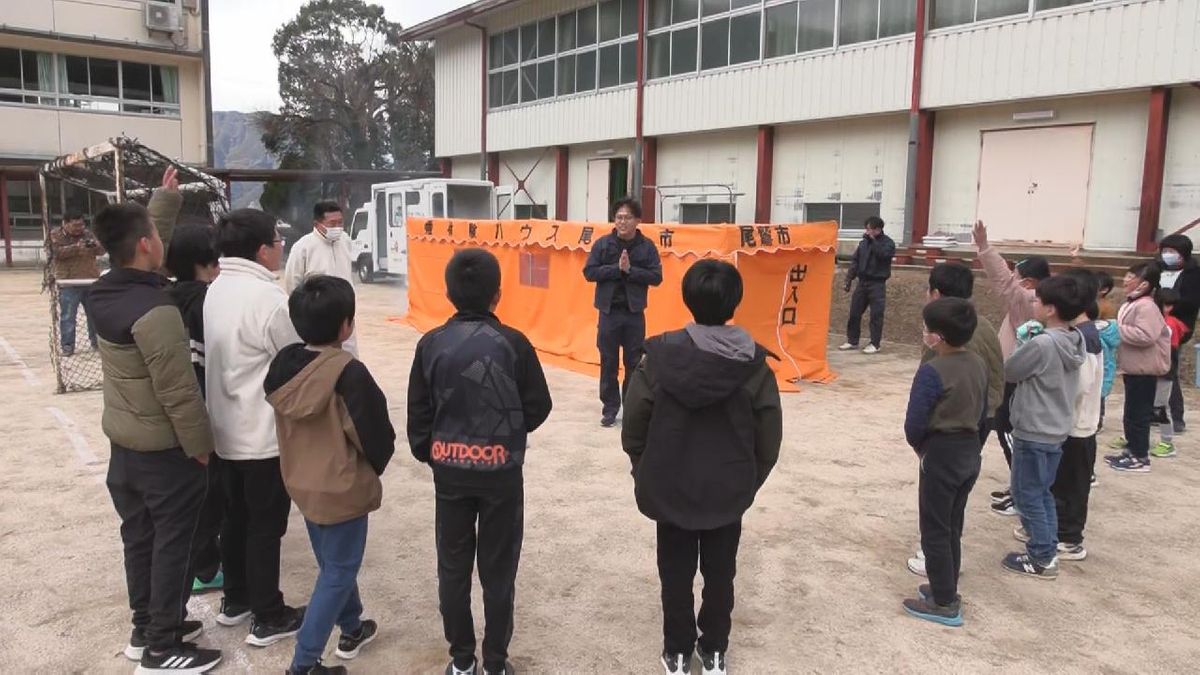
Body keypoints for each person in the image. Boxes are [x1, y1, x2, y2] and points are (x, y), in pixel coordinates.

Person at [622, 259, 782, 674]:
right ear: (735, 302)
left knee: (674, 573)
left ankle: (676, 651)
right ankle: (713, 650)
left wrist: (646, 470)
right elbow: (769, 438)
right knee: (720, 574)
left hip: (671, 483)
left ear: (687, 299)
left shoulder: (658, 357)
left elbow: (634, 423)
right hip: (727, 488)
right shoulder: (753, 365)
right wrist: (747, 480)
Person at [88, 200, 222, 673]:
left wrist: (161, 206)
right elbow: (179, 391)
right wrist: (201, 447)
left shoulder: (105, 292)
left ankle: (146, 627)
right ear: (146, 245)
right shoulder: (157, 311)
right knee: (173, 544)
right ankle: (163, 647)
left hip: (123, 449)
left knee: (139, 538)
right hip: (163, 452)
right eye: (155, 233)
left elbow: (141, 251)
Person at [407, 249, 553, 675]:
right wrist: (507, 437)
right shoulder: (514, 343)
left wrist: (433, 453)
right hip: (501, 475)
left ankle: (461, 660)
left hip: (450, 474)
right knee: (498, 568)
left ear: (449, 293)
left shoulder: (431, 343)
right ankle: (494, 663)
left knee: (452, 567)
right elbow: (538, 405)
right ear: (498, 294)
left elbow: (419, 412)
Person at [265, 275, 396, 675]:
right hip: (340, 486)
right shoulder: (348, 372)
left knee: (334, 565)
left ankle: (352, 626)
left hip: (301, 480)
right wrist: (372, 466)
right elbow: (375, 435)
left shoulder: (284, 365)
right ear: (346, 325)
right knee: (338, 572)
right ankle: (304, 664)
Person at [205, 208, 307, 646]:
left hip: (224, 430)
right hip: (262, 435)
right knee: (266, 527)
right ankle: (268, 614)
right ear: (263, 249)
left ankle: (236, 599)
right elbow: (293, 358)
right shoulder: (266, 299)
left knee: (236, 520)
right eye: (278, 242)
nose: (281, 247)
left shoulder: (217, 288)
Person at [907, 263, 1003, 578]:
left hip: (950, 430)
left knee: (938, 503)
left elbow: (924, 404)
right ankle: (948, 558)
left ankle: (938, 570)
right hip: (980, 419)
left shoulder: (944, 342)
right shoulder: (983, 324)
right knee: (955, 497)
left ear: (936, 294)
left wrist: (922, 445)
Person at [901, 298, 987, 627]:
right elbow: (982, 412)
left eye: (926, 329)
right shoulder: (977, 362)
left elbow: (914, 423)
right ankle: (945, 583)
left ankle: (945, 601)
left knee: (934, 527)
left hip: (941, 451)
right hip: (969, 450)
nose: (923, 334)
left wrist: (923, 449)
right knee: (952, 523)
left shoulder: (932, 370)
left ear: (937, 336)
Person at [1001, 275, 1086, 580]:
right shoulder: (1074, 339)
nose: (1033, 304)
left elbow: (1010, 371)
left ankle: (1041, 557)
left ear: (1050, 309)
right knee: (1042, 491)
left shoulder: (1043, 343)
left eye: (1037, 300)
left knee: (1027, 494)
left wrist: (1024, 343)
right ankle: (1046, 546)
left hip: (1034, 428)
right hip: (1055, 428)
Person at [972, 220, 1051, 517]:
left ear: (1029, 282)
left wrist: (984, 248)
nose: (1011, 281)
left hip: (1015, 378)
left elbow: (1003, 282)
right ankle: (1019, 488)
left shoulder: (1028, 301)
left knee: (1007, 431)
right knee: (1007, 431)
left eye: (1017, 276)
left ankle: (1022, 493)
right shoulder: (1038, 301)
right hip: (1017, 375)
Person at [165, 223, 227, 594]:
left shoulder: (166, 297)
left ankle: (204, 560)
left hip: (176, 413)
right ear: (209, 261)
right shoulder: (207, 302)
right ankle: (205, 567)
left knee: (191, 493)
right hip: (205, 410)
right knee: (209, 495)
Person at [583, 197, 663, 428]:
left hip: (634, 313)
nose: (622, 222)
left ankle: (632, 406)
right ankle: (609, 408)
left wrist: (631, 271)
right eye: (619, 217)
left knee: (634, 362)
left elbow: (656, 277)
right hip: (608, 313)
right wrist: (616, 270)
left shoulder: (647, 247)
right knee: (608, 361)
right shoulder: (602, 245)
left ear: (638, 220)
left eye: (628, 217)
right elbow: (589, 272)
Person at [1041, 269, 1104, 563]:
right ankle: (1055, 528)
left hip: (1076, 425)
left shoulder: (1086, 338)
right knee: (1059, 481)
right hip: (1067, 423)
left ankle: (1069, 537)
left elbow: (1080, 385)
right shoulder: (1079, 334)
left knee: (1071, 484)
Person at [1106, 263, 1171, 474]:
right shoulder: (1134, 303)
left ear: (1144, 283)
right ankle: (1131, 450)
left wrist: (1116, 329)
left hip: (1145, 370)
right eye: (1126, 275)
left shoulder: (1146, 306)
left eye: (1131, 276)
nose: (1126, 279)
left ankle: (1140, 456)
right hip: (1134, 368)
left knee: (1139, 414)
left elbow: (1146, 335)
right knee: (1131, 412)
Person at [285, 201, 358, 356]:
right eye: (332, 223)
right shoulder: (303, 247)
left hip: (345, 315)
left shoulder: (345, 240)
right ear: (317, 224)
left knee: (349, 359)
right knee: (320, 361)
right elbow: (293, 285)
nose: (337, 227)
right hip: (319, 318)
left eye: (340, 222)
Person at [1156, 234, 1199, 433]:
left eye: (1172, 251)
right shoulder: (1158, 269)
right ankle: (1154, 412)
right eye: (1165, 251)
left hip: (1177, 326)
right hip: (1155, 322)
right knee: (1154, 370)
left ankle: (1176, 416)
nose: (1168, 255)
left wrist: (1169, 304)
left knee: (1169, 370)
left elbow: (1191, 302)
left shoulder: (1193, 274)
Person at [49, 211, 104, 356]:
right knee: (68, 317)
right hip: (68, 282)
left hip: (90, 280)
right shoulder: (55, 235)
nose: (79, 228)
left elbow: (102, 251)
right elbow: (56, 253)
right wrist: (76, 247)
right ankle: (67, 346)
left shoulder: (88, 234)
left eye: (81, 224)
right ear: (65, 223)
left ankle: (96, 342)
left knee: (94, 315)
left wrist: (95, 245)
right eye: (75, 225)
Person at [839, 216, 896, 354]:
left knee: (876, 315)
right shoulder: (863, 243)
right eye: (866, 229)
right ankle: (852, 340)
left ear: (878, 229)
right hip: (862, 282)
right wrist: (849, 279)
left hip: (877, 283)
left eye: (870, 229)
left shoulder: (888, 243)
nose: (867, 231)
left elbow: (883, 255)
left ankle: (875, 343)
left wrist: (873, 241)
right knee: (854, 312)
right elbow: (855, 262)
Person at [1150, 288, 1187, 459]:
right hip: (1153, 369)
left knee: (1161, 407)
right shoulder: (1161, 321)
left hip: (1164, 372)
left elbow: (1170, 353)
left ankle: (1167, 442)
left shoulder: (1170, 324)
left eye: (1170, 305)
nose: (1167, 308)